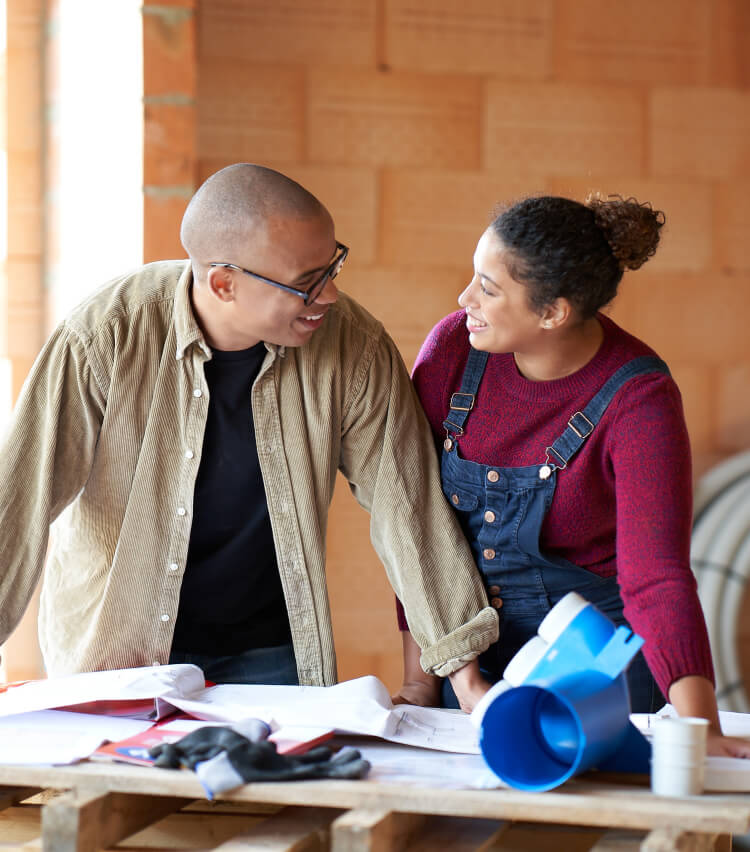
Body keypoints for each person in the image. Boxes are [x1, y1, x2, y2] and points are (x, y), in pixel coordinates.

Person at [0, 163, 498, 700]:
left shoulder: (355, 346)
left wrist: (463, 677)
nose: (329, 295)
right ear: (223, 283)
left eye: (331, 267)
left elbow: (409, 507)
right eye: (307, 284)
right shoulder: (105, 336)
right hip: (115, 651)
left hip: (273, 656)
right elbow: (19, 501)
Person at [393, 193, 750, 757]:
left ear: (552, 312)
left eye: (488, 288)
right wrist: (423, 680)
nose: (465, 300)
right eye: (473, 277)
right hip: (465, 655)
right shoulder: (451, 354)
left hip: (598, 661)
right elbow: (416, 526)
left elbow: (654, 577)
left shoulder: (639, 399)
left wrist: (702, 726)